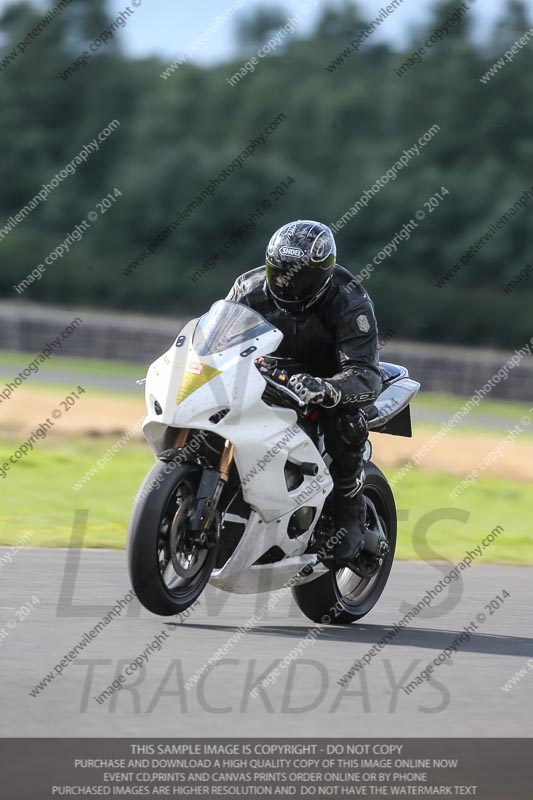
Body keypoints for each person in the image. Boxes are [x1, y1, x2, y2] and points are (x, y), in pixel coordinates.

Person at [226, 220, 382, 574]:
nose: (287, 283)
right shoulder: (248, 289)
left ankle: (348, 513)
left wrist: (329, 389)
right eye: (279, 273)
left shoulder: (348, 300)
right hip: (267, 372)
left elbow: (365, 373)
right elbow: (219, 337)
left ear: (323, 274)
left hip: (325, 381)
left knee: (347, 421)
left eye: (301, 278)